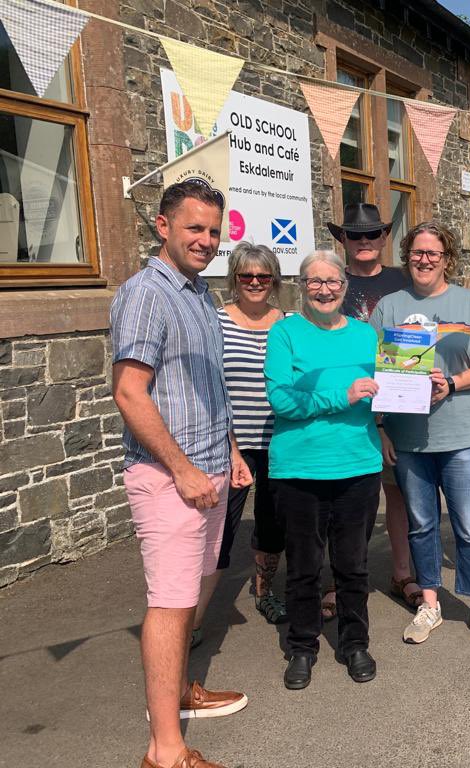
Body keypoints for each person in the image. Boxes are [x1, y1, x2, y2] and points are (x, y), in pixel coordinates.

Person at [110, 181, 251, 768]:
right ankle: (165, 750)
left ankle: (182, 694)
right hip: (172, 480)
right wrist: (185, 469)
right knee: (170, 604)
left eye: (215, 231)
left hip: (211, 471)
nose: (207, 241)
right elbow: (130, 393)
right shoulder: (146, 294)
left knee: (189, 595)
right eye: (195, 228)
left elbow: (209, 390)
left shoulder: (197, 294)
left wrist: (233, 451)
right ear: (163, 226)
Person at [370, 221, 470, 649]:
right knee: (422, 524)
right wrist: (379, 428)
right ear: (407, 256)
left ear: (447, 259)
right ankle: (429, 602)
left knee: (469, 526)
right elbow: (371, 370)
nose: (424, 260)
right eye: (416, 252)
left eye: (433, 253)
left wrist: (454, 381)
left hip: (462, 436)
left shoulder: (469, 303)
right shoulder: (388, 307)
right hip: (408, 438)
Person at [264, 250, 382, 688]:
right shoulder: (285, 334)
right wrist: (342, 396)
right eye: (315, 282)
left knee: (353, 565)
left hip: (358, 464)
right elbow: (281, 401)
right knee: (303, 566)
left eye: (333, 282)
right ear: (302, 285)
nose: (325, 289)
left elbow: (385, 393)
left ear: (345, 288)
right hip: (301, 469)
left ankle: (355, 643)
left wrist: (418, 388)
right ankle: (302, 646)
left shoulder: (367, 336)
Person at [323, 203, 421, 615]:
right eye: (354, 235)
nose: (364, 241)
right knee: (344, 500)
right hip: (344, 406)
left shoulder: (404, 281)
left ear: (384, 238)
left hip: (396, 404)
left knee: (398, 495)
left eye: (371, 234)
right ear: (342, 240)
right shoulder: (329, 284)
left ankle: (403, 574)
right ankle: (341, 582)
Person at [190, 243, 288, 648]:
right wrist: (230, 448)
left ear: (274, 281)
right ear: (234, 278)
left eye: (262, 276)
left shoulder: (288, 324)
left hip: (282, 440)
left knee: (272, 521)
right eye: (246, 275)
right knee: (220, 529)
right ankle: (191, 619)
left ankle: (265, 592)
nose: (254, 283)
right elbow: (211, 388)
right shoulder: (215, 322)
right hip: (231, 445)